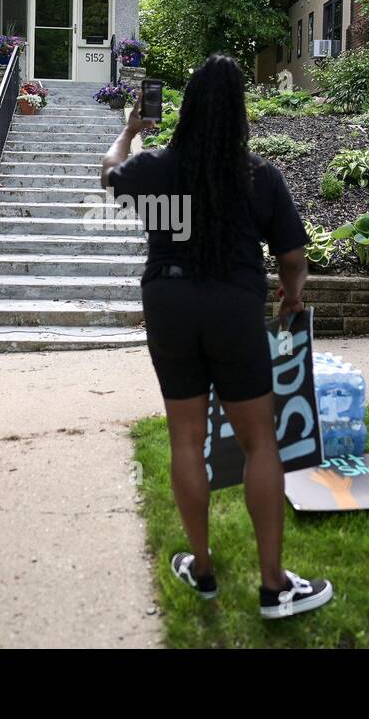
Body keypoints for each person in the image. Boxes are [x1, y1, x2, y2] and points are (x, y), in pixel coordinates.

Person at [101, 54, 333, 619]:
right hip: (233, 307)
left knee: (185, 439)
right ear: (239, 112)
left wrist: (129, 129)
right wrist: (293, 294)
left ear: (188, 109)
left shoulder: (156, 166)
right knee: (260, 442)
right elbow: (294, 257)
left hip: (169, 302)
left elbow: (108, 174)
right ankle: (274, 586)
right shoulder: (258, 175)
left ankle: (202, 569)